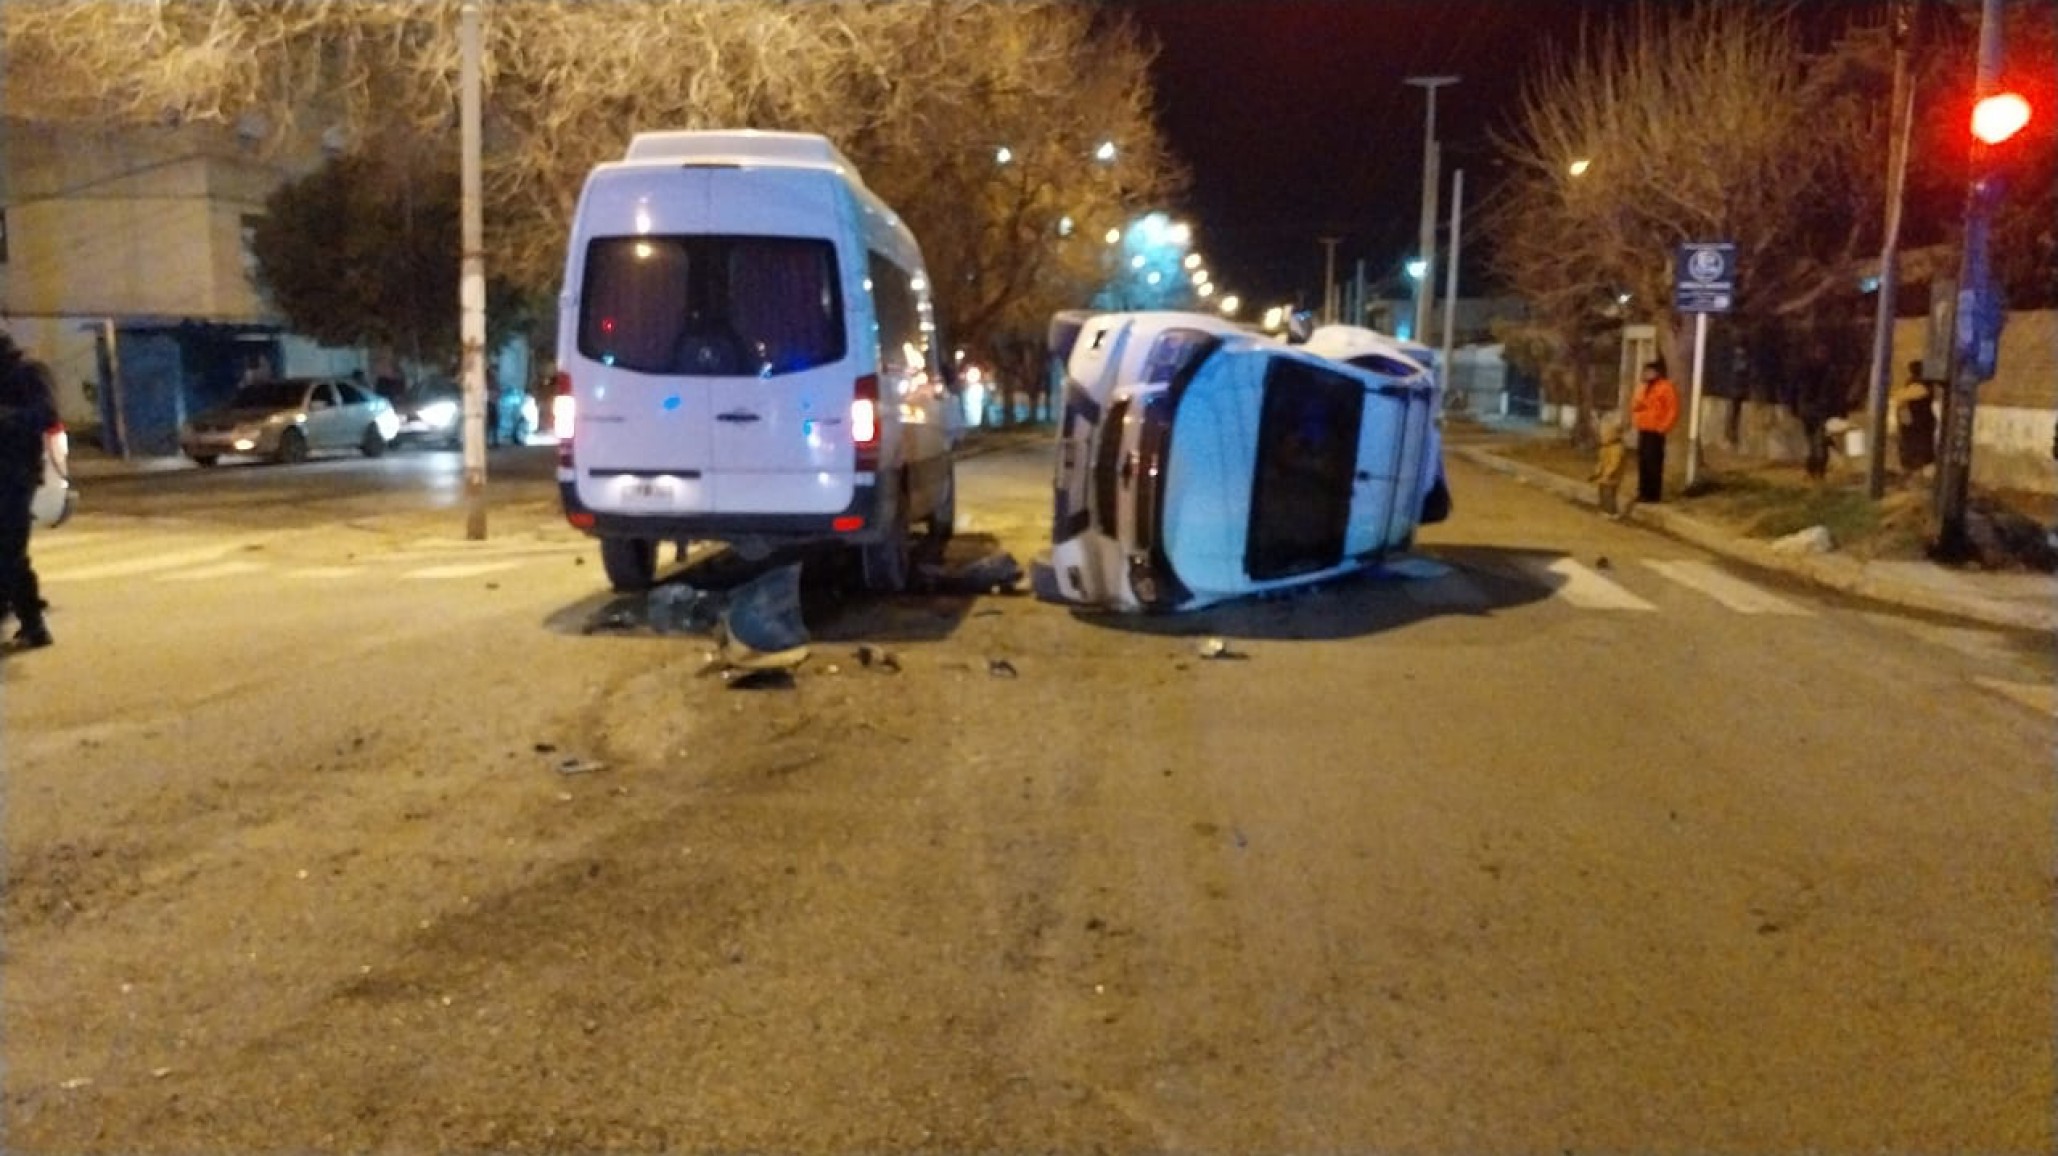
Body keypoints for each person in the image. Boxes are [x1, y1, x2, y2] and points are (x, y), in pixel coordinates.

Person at [0, 331, 59, 651]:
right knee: (8, 555)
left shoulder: (26, 373)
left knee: (8, 552)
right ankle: (29, 620)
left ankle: (33, 622)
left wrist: (7, 418)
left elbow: (45, 415)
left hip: (13, 476)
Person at [1629, 359, 1678, 504]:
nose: (1647, 374)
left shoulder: (1665, 387)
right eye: (1645, 371)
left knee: (1653, 463)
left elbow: (1672, 409)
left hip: (1656, 430)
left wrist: (1663, 427)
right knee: (1643, 461)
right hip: (1643, 427)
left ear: (1657, 373)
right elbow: (1635, 404)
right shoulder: (1643, 387)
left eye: (1650, 371)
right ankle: (1642, 491)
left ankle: (1653, 494)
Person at [1891, 359, 1937, 478]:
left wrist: (1901, 397)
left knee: (1923, 452)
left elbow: (1905, 395)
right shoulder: (1913, 383)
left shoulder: (1924, 384)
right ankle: (1912, 473)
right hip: (1911, 424)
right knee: (1909, 451)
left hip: (1921, 425)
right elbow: (1900, 398)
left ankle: (1924, 475)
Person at [1590, 413, 1628, 517]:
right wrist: (1597, 471)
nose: (1603, 435)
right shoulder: (1605, 447)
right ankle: (1604, 509)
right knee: (1602, 491)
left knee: (1609, 494)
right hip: (1604, 476)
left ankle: (1611, 511)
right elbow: (1601, 461)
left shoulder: (1617, 448)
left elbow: (1615, 463)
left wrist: (1608, 473)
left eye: (1605, 433)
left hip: (1612, 477)